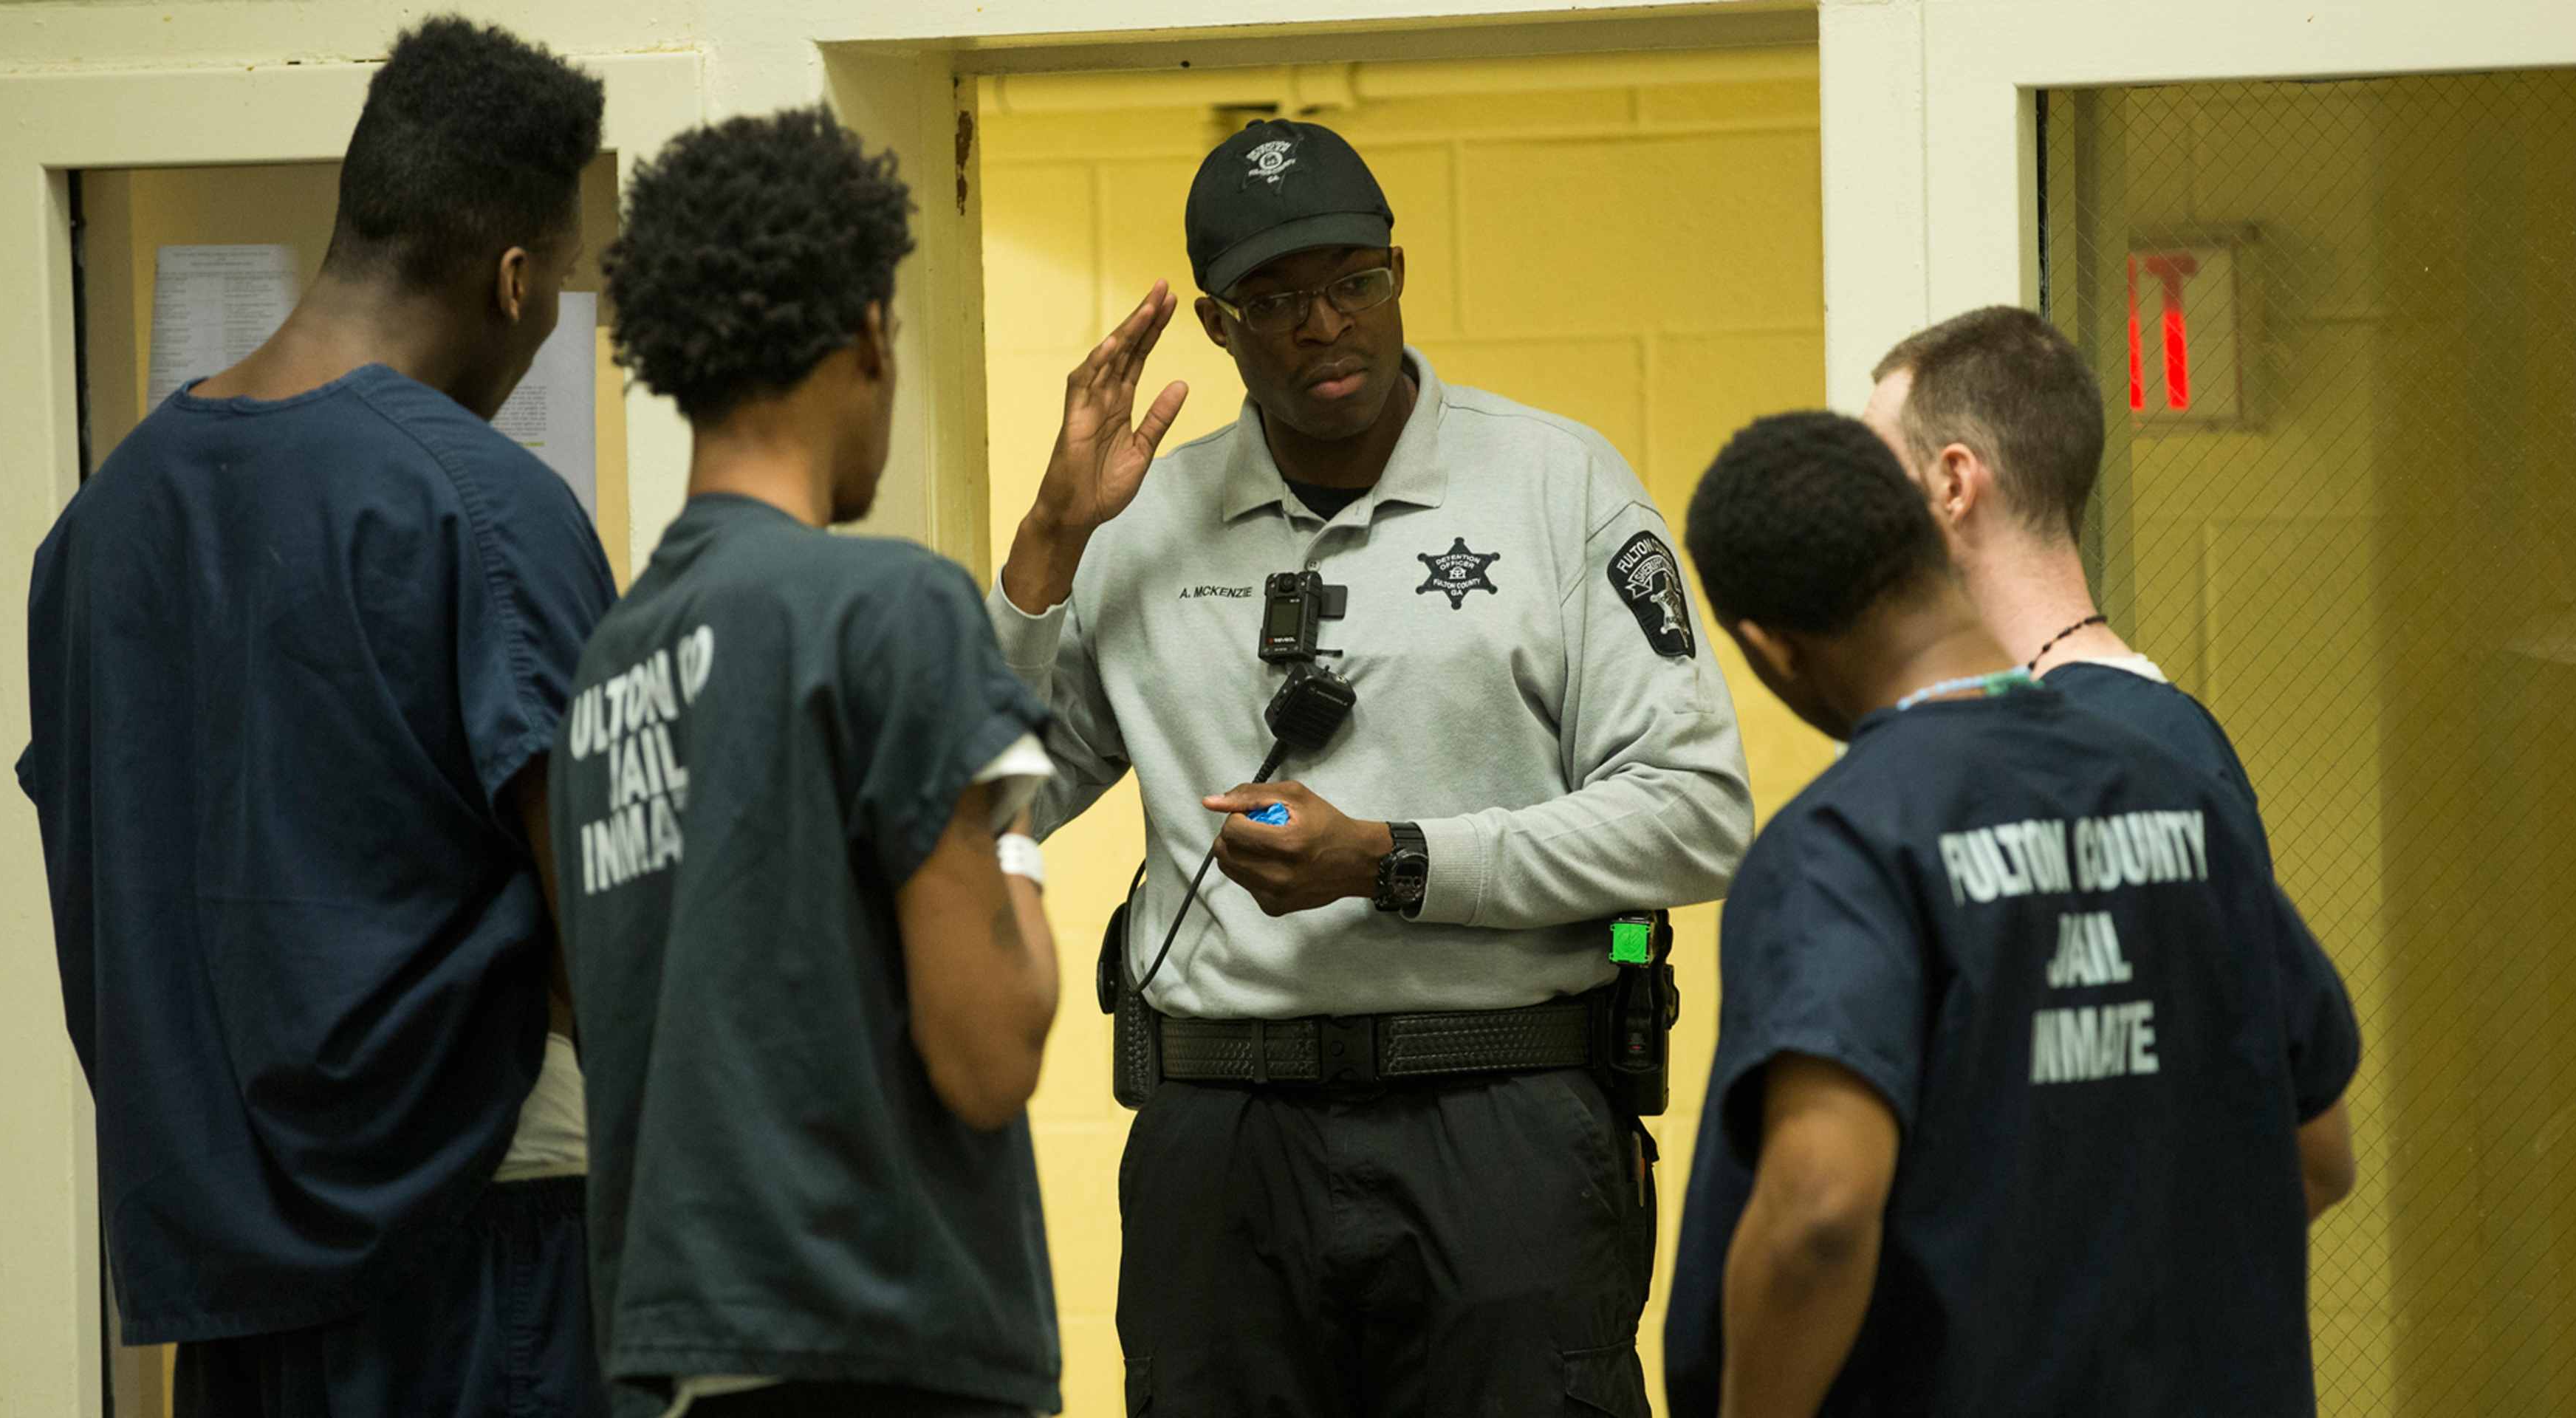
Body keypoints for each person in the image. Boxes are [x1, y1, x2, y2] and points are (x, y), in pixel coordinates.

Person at [989, 117, 1753, 1413]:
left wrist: (1395, 859)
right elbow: (979, 808)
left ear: (1400, 274)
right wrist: (1045, 552)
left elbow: (1694, 817)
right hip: (1223, 1141)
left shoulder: (1558, 488)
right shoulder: (1138, 525)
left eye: (1354, 282)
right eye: (1275, 300)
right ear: (1222, 330)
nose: (1322, 324)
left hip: (1502, 1117)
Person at [17, 17, 612, 1415]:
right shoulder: (483, 507)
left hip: (229, 1300)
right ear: (514, 280)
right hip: (485, 1267)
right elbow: (618, 925)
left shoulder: (98, 532)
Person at [1662, 411, 2363, 1418]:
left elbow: (1819, 1211)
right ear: (1932, 547)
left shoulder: (1844, 846)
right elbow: (2320, 1154)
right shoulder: (2181, 793)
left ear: (1775, 650)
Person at [556, 108, 1061, 1418]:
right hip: (883, 1346)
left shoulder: (613, 660)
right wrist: (1014, 826)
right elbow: (992, 1049)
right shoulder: (888, 610)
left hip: (684, 1357)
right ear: (871, 335)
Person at [1860, 305, 2357, 1215]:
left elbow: (2286, 1135)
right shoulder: (2144, 743)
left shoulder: (2115, 755)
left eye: (1870, 470)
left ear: (1954, 483)